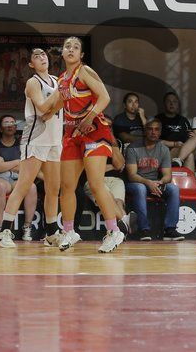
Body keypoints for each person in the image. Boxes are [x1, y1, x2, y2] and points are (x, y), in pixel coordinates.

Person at [45, 36, 125, 253]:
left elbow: (105, 97)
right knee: (67, 186)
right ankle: (69, 231)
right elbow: (55, 105)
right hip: (72, 134)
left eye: (75, 47)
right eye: (67, 46)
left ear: (81, 55)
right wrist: (40, 112)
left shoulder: (85, 71)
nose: (71, 49)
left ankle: (114, 231)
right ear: (62, 53)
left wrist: (89, 117)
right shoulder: (62, 79)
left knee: (96, 183)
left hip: (94, 132)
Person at [0, 48, 63, 248]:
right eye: (36, 56)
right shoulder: (33, 82)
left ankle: (51, 233)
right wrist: (61, 92)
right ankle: (4, 232)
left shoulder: (57, 80)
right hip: (36, 139)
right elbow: (42, 108)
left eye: (43, 55)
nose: (42, 57)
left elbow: (60, 107)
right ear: (31, 64)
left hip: (55, 140)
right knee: (24, 185)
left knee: (53, 188)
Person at [125, 119, 184, 241]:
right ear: (145, 131)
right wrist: (148, 182)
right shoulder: (133, 148)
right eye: (150, 129)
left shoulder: (164, 149)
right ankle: (144, 230)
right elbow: (132, 175)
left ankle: (170, 230)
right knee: (140, 188)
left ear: (160, 132)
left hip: (155, 183)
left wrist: (160, 182)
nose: (153, 132)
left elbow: (168, 176)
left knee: (173, 189)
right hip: (135, 183)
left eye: (157, 129)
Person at [0, 115, 36, 243]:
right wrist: (16, 162)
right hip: (1, 177)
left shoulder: (22, 143)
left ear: (16, 127)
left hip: (17, 178)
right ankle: (1, 228)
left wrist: (5, 164)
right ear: (0, 128)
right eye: (6, 123)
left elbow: (26, 165)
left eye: (12, 123)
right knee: (1, 187)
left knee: (31, 187)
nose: (10, 125)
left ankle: (27, 227)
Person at [84, 142, 130, 237]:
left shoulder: (115, 142)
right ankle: (125, 221)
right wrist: (112, 166)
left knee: (118, 202)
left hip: (115, 180)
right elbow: (91, 169)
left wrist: (112, 143)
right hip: (94, 180)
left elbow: (120, 164)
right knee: (109, 199)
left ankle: (121, 231)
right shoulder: (88, 143)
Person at [154, 92, 192, 163]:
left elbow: (189, 138)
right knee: (189, 155)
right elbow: (153, 140)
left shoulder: (183, 120)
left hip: (182, 150)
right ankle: (178, 161)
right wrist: (174, 144)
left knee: (195, 140)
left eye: (174, 101)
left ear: (178, 105)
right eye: (169, 101)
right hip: (164, 152)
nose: (171, 104)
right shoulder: (157, 119)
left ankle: (178, 161)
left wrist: (191, 137)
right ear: (164, 104)